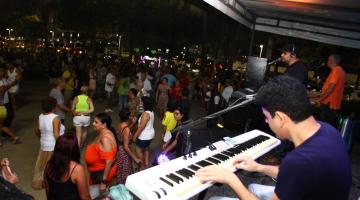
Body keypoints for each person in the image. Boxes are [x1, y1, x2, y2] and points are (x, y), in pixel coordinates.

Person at [196, 75, 351, 200]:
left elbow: (297, 169)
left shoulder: (299, 161)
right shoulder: (328, 130)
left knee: (216, 199)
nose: (266, 121)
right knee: (253, 188)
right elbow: (298, 176)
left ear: (281, 118)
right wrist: (259, 167)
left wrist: (231, 179)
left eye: (266, 116)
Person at [44, 134, 91, 200]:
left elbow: (48, 189)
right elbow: (85, 197)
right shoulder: (77, 169)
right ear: (74, 149)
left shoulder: (49, 164)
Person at [32, 97, 65, 189]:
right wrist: (62, 145)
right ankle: (52, 184)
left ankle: (42, 182)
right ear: (54, 107)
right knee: (53, 166)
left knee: (43, 165)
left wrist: (41, 138)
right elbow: (56, 134)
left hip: (44, 144)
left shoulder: (41, 116)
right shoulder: (55, 118)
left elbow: (36, 130)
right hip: (53, 145)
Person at [84, 113, 117, 194]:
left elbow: (109, 161)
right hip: (96, 172)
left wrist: (103, 182)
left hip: (101, 175)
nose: (93, 123)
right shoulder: (102, 133)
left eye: (96, 122)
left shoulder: (105, 139)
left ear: (104, 125)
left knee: (99, 195)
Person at [312, 54, 346, 127]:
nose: (327, 62)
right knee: (326, 126)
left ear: (331, 61)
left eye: (328, 60)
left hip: (328, 104)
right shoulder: (340, 71)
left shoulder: (337, 70)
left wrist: (319, 99)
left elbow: (331, 88)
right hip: (331, 105)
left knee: (322, 127)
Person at [116, 108, 140, 184]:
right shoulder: (126, 129)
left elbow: (125, 130)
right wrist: (135, 158)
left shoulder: (120, 124)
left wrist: (132, 124)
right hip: (124, 152)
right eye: (131, 115)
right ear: (129, 117)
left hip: (119, 148)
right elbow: (126, 146)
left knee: (121, 170)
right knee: (126, 171)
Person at [132, 96, 155, 170]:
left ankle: (142, 166)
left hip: (144, 136)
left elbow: (141, 128)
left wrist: (135, 136)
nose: (141, 103)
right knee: (146, 148)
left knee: (138, 150)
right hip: (150, 134)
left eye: (142, 102)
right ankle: (147, 164)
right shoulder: (151, 111)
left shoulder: (145, 114)